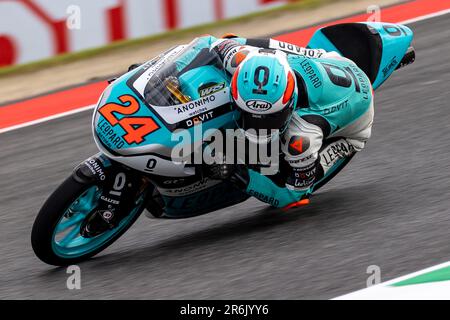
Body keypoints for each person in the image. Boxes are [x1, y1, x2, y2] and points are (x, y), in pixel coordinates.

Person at [207, 34, 374, 210]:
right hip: (330, 61)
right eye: (247, 114)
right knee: (236, 40)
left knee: (291, 171)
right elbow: (209, 42)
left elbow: (293, 196)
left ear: (289, 105)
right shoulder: (240, 58)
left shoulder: (302, 136)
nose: (257, 128)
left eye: (270, 119)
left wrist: (237, 174)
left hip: (357, 122)